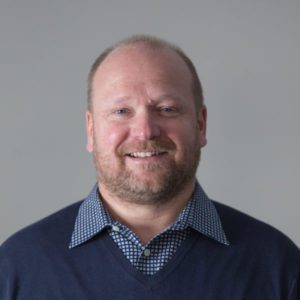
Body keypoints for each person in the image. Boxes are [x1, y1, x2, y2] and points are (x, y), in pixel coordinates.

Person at [0, 35, 299, 299]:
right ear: (91, 131)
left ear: (200, 124)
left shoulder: (278, 266)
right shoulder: (16, 268)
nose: (145, 131)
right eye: (121, 111)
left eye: (167, 109)